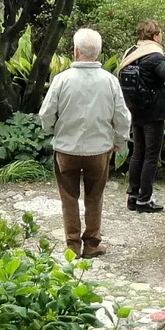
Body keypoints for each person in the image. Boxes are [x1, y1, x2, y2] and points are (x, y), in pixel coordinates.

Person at [38, 27, 131, 257]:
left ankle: (72, 245)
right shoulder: (110, 81)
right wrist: (119, 139)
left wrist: (52, 131)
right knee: (95, 196)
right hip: (99, 150)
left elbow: (46, 114)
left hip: (66, 149)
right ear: (98, 52)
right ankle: (91, 243)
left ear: (76, 51)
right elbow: (122, 116)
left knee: (68, 197)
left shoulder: (61, 80)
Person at [116, 19, 165, 213]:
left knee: (138, 152)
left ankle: (133, 196)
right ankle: (144, 200)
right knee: (151, 156)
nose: (161, 37)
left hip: (135, 109)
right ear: (155, 35)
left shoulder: (131, 53)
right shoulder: (154, 56)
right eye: (160, 33)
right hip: (153, 113)